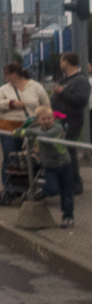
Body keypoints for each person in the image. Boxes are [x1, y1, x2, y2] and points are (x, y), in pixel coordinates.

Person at [0, 62, 50, 188]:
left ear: (15, 74)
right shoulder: (4, 89)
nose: (5, 77)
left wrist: (43, 119)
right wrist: (11, 104)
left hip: (30, 128)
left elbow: (46, 104)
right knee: (10, 157)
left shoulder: (35, 87)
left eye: (7, 74)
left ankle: (26, 187)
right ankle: (9, 188)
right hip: (9, 127)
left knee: (29, 158)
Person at [17, 105, 74, 228]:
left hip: (64, 164)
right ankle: (43, 192)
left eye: (49, 118)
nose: (47, 121)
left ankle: (68, 217)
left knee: (67, 192)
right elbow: (31, 139)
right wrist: (22, 134)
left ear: (53, 118)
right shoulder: (37, 130)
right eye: (43, 119)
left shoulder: (57, 128)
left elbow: (47, 136)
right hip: (49, 166)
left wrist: (27, 131)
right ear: (38, 120)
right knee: (52, 189)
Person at [50, 51, 90, 196]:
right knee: (62, 151)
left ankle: (75, 182)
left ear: (67, 62)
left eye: (61, 61)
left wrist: (62, 93)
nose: (60, 63)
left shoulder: (80, 80)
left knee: (69, 150)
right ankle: (66, 181)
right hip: (59, 121)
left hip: (71, 121)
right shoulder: (64, 79)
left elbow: (81, 100)